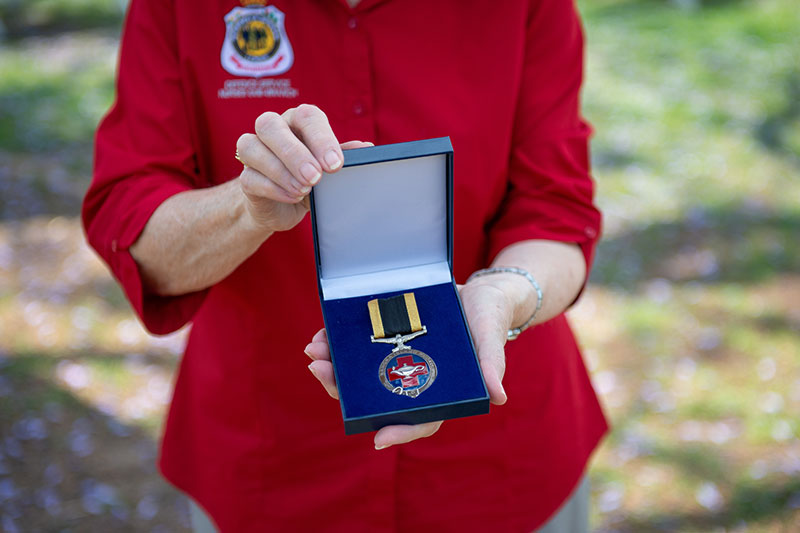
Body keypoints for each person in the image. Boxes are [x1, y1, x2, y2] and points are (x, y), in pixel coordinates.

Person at [82, 0, 608, 530]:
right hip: (270, 456)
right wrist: (248, 208)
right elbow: (137, 236)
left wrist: (501, 296)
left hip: (500, 464)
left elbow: (556, 214)